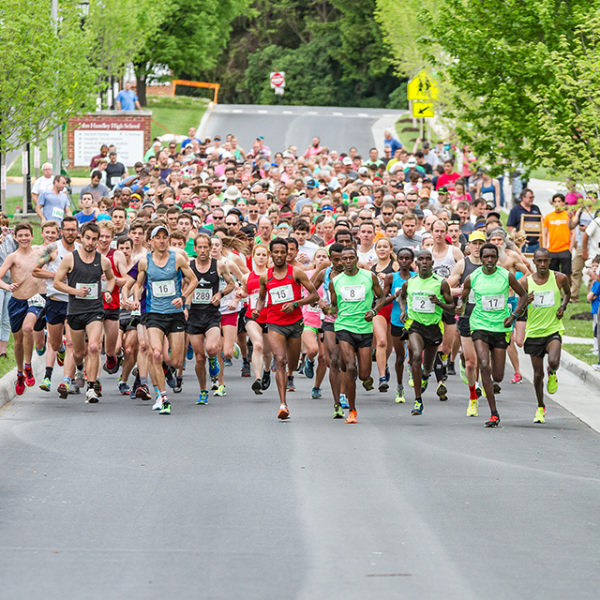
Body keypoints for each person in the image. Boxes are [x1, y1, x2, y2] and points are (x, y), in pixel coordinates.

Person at [460, 243, 528, 427]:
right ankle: (493, 413)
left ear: (497, 258)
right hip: (479, 325)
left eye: (492, 257)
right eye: (486, 257)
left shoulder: (506, 276)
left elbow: (523, 296)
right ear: (481, 258)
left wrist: (513, 316)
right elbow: (463, 299)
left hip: (500, 327)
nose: (489, 260)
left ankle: (490, 383)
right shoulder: (472, 278)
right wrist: (459, 307)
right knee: (483, 364)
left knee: (497, 376)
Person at [133, 225, 198, 414]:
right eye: (158, 237)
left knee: (176, 361)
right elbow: (138, 284)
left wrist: (183, 298)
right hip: (154, 313)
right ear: (151, 241)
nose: (161, 241)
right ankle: (162, 396)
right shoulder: (144, 262)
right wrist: (137, 299)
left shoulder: (176, 258)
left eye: (164, 237)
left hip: (175, 314)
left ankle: (165, 372)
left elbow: (193, 280)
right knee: (154, 353)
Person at [253, 238, 319, 420]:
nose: (280, 255)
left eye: (283, 252)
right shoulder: (265, 277)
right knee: (279, 360)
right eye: (276, 252)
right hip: (274, 323)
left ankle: (297, 366)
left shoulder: (296, 273)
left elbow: (313, 295)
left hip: (295, 323)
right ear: (271, 254)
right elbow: (261, 297)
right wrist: (258, 310)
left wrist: (296, 304)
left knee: (292, 363)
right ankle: (283, 404)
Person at [53, 222, 116, 404]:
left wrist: (108, 292)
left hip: (95, 310)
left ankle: (91, 388)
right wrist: (75, 292)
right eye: (88, 238)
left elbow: (111, 279)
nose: (90, 242)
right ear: (81, 236)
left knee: (94, 347)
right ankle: (79, 368)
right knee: (79, 352)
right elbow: (57, 282)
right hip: (75, 311)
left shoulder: (103, 260)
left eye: (94, 239)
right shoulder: (70, 259)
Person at [328, 246, 385, 424]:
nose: (347, 261)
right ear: (341, 261)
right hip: (344, 327)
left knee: (363, 375)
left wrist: (374, 312)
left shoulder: (369, 277)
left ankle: (366, 378)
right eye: (344, 259)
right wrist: (325, 308)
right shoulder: (335, 281)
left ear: (356, 259)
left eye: (351, 258)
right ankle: (352, 410)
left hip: (365, 328)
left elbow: (381, 297)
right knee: (351, 367)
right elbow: (334, 306)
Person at [397, 250, 455, 416]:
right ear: (417, 263)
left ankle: (424, 375)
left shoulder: (441, 283)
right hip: (415, 325)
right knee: (415, 356)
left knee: (427, 367)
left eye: (427, 259)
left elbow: (451, 307)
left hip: (434, 327)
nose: (424, 262)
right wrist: (403, 311)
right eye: (420, 259)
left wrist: (439, 303)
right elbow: (401, 297)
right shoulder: (410, 283)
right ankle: (417, 400)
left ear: (432, 263)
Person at [520, 248, 570, 423]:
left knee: (554, 361)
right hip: (534, 332)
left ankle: (553, 372)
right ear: (534, 262)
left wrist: (563, 306)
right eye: (539, 261)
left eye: (545, 261)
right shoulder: (526, 283)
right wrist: (525, 302)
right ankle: (540, 406)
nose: (542, 264)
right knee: (537, 374)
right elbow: (519, 309)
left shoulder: (559, 278)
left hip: (553, 329)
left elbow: (568, 293)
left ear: (550, 261)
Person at [185, 233, 235, 405]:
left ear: (210, 247)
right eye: (199, 247)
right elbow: (183, 286)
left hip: (212, 314)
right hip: (194, 316)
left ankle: (213, 360)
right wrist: (185, 304)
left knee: (212, 348)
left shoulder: (218, 265)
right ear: (195, 248)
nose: (203, 250)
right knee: (199, 358)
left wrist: (220, 294)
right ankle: (203, 390)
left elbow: (231, 284)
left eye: (206, 247)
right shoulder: (189, 266)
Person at [32, 217, 79, 396]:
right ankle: (60, 352)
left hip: (74, 302)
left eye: (73, 229)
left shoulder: (81, 250)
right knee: (56, 342)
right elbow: (35, 270)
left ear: (77, 231)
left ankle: (66, 380)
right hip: (55, 301)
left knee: (72, 342)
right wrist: (55, 275)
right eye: (67, 229)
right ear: (61, 231)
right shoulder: (52, 248)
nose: (70, 233)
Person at [0, 222, 46, 395]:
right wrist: (7, 287)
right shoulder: (12, 257)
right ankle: (19, 373)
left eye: (27, 235)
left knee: (28, 328)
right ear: (15, 237)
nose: (24, 238)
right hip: (17, 301)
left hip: (35, 300)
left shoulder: (40, 253)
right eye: (21, 235)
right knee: (18, 342)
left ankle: (28, 366)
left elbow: (56, 255)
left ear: (33, 236)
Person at [447, 231, 485, 416]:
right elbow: (446, 287)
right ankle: (472, 397)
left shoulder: (492, 265)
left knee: (483, 361)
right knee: (471, 363)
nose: (477, 247)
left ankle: (481, 382)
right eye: (474, 243)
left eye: (481, 243)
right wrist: (461, 291)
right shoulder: (463, 264)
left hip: (487, 319)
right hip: (468, 317)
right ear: (468, 245)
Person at [373, 247, 415, 403]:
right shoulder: (391, 277)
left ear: (411, 261)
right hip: (397, 319)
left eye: (407, 258)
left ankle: (413, 370)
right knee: (399, 357)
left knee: (414, 350)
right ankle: (399, 387)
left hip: (414, 319)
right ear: (398, 260)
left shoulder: (417, 277)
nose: (404, 261)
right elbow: (383, 299)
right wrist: (395, 295)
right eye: (401, 258)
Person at [238, 244, 273, 394]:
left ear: (268, 257)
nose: (261, 257)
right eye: (258, 254)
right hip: (252, 316)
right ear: (253, 256)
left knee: (266, 351)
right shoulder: (247, 277)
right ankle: (258, 379)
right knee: (257, 345)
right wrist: (240, 293)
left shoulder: (272, 275)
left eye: (264, 255)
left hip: (270, 316)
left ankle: (266, 371)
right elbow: (246, 292)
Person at [542, 193, 578, 286]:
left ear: (563, 203)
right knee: (553, 274)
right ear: (553, 203)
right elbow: (544, 234)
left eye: (559, 201)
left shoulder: (568, 215)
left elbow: (573, 233)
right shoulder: (548, 217)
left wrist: (570, 248)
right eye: (555, 201)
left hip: (565, 249)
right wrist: (545, 248)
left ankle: (568, 292)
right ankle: (556, 293)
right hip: (552, 250)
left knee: (567, 273)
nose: (557, 203)